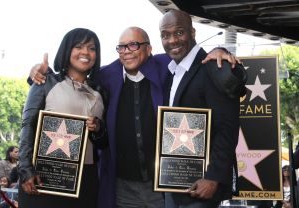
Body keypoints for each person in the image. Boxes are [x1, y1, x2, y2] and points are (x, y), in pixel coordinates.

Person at [29, 28, 246, 208]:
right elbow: (70, 81)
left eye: (134, 45)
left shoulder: (165, 67)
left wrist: (220, 50)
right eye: (122, 47)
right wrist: (36, 75)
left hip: (162, 187)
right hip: (122, 187)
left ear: (149, 49)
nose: (127, 52)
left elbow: (190, 56)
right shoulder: (106, 77)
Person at [158, 10, 242, 208]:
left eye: (179, 33)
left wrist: (213, 178)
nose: (172, 40)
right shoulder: (171, 72)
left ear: (193, 32)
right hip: (173, 183)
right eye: (165, 35)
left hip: (202, 185)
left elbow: (228, 127)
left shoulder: (214, 67)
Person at [18, 28, 106, 208]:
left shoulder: (101, 92)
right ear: (67, 50)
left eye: (92, 48)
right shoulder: (45, 82)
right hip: (44, 176)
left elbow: (104, 142)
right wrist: (26, 170)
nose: (85, 52)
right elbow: (28, 126)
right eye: (78, 46)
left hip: (85, 180)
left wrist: (98, 128)